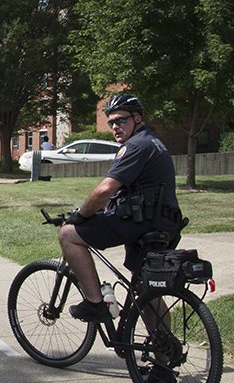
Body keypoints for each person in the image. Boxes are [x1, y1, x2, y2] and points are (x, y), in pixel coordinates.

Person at [58, 93, 181, 323]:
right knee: (146, 288)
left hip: (141, 221)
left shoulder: (136, 146)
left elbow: (106, 190)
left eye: (121, 120)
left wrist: (81, 215)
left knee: (68, 235)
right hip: (163, 221)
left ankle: (95, 303)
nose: (115, 126)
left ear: (137, 118)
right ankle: (164, 349)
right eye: (111, 122)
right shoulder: (153, 141)